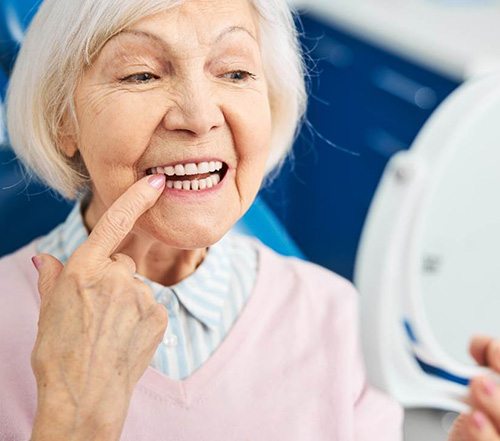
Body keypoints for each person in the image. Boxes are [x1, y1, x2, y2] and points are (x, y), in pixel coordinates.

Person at [0, 0, 496, 439]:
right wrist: (73, 424)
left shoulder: (338, 320)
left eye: (235, 72)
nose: (198, 116)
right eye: (141, 74)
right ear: (64, 119)